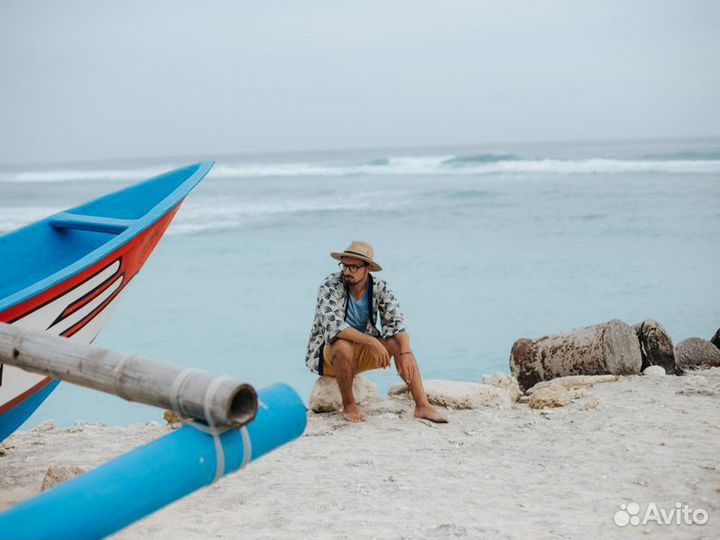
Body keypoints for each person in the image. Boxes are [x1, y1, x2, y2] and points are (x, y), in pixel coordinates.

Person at [305, 240, 447, 424]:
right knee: (342, 345)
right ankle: (349, 405)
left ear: (368, 268)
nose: (346, 271)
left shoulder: (381, 288)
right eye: (344, 265)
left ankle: (422, 406)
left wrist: (404, 351)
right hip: (329, 356)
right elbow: (335, 327)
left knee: (399, 344)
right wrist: (372, 342)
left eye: (353, 267)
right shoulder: (330, 285)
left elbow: (397, 322)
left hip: (360, 353)